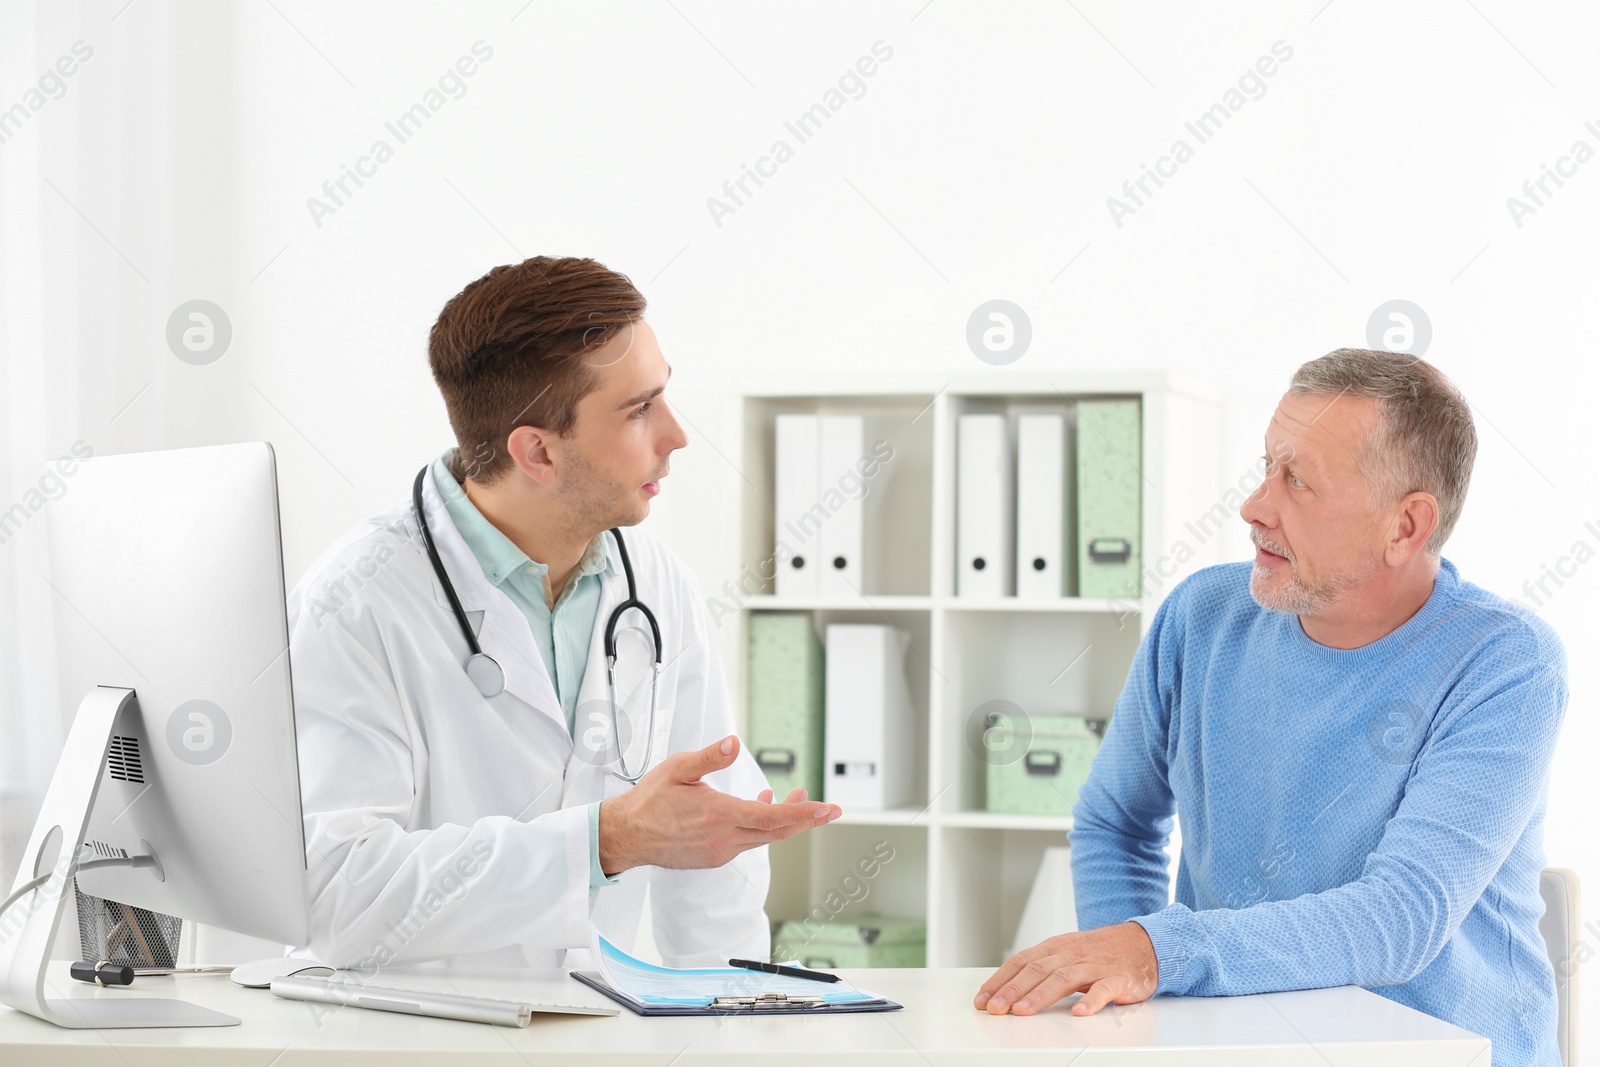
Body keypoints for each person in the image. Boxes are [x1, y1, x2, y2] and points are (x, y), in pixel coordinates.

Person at [976, 349, 1566, 1067]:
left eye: (1298, 480)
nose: (1255, 506)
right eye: (1265, 467)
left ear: (1405, 526)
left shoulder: (1506, 662)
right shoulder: (1202, 616)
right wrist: (1127, 999)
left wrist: (1159, 950)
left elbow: (1401, 916)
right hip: (1238, 1050)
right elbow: (1116, 821)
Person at [287, 256, 841, 973]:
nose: (675, 435)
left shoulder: (653, 581)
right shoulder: (357, 599)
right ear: (538, 451)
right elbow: (339, 893)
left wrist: (729, 1016)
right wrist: (602, 840)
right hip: (416, 1039)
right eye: (639, 409)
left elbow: (712, 865)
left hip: (594, 1030)